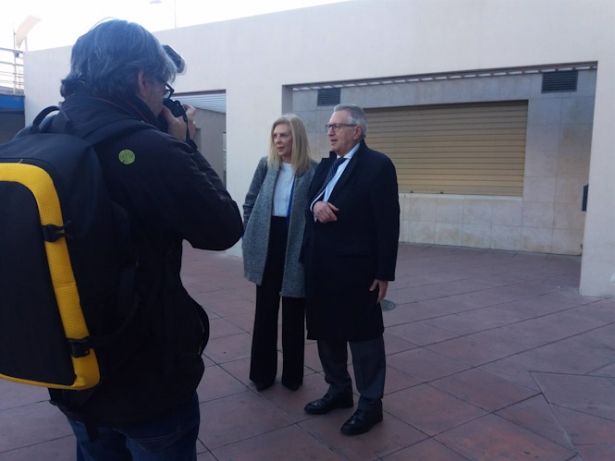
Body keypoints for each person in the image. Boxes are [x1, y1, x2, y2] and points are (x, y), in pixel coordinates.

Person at [42, 20, 243, 459]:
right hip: (147, 383)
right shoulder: (150, 149)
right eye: (163, 84)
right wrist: (185, 145)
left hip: (71, 376)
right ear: (141, 80)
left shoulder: (41, 136)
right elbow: (225, 228)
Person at [301, 104, 400, 436]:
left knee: (364, 337)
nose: (329, 131)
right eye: (328, 126)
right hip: (321, 265)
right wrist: (315, 205)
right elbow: (309, 202)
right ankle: (339, 390)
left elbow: (388, 223)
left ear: (357, 131)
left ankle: (371, 404)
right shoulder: (327, 164)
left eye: (336, 126)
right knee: (326, 331)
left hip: (357, 269)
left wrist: (384, 271)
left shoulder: (378, 166)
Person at [242, 114, 317, 391]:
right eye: (275, 136)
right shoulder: (266, 165)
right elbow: (250, 201)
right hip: (267, 242)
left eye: (283, 135)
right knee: (265, 311)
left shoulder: (313, 170)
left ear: (296, 137)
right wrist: (248, 232)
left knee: (294, 314)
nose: (278, 141)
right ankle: (262, 375)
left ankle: (293, 377)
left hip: (295, 243)